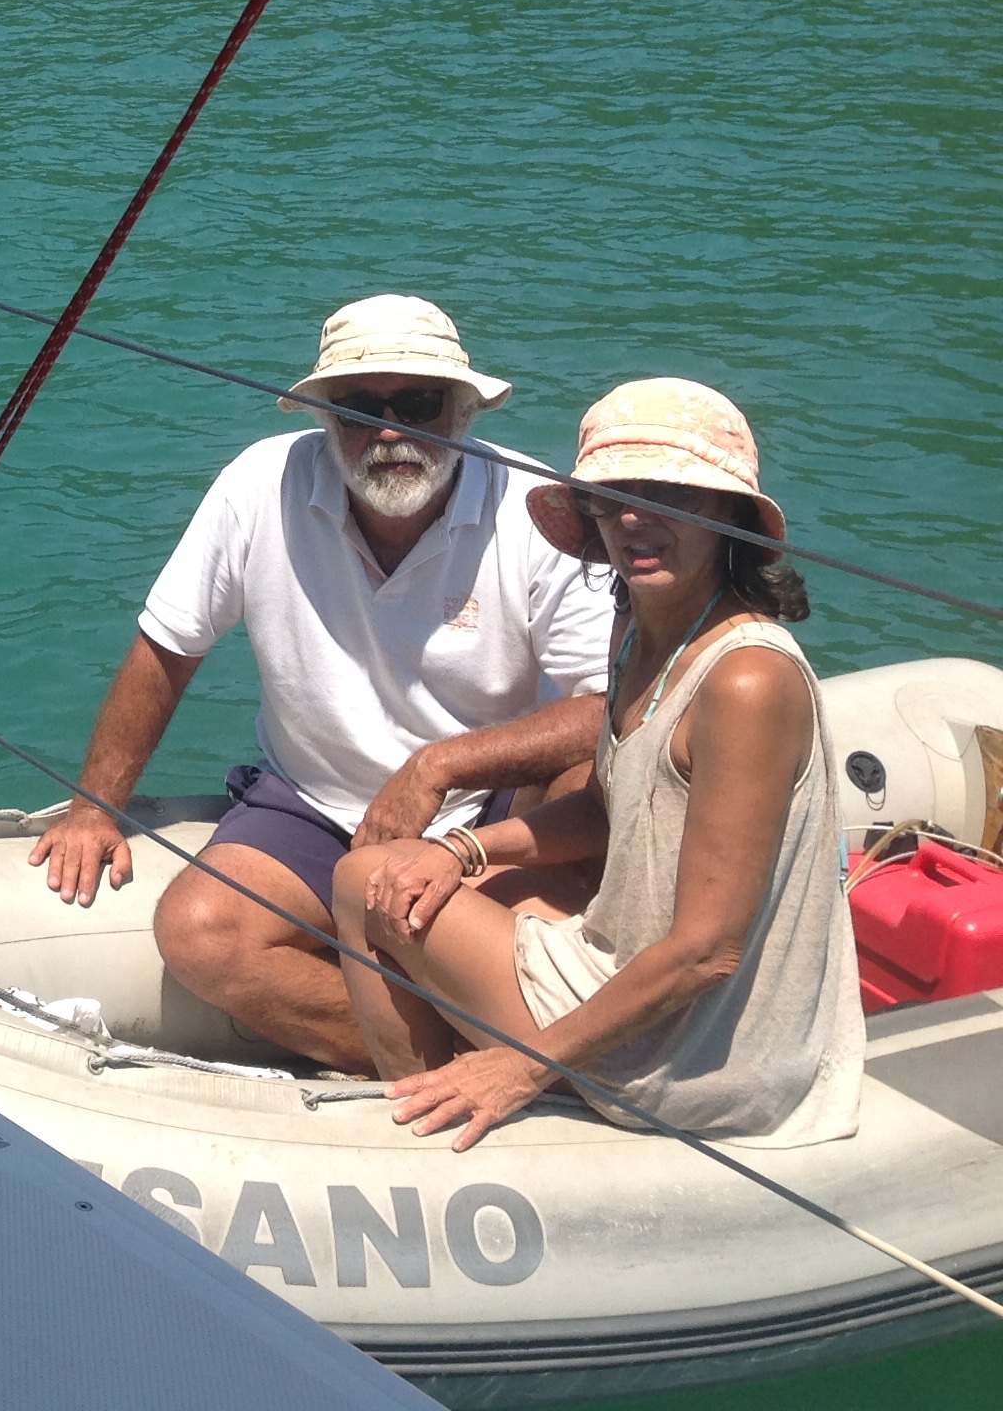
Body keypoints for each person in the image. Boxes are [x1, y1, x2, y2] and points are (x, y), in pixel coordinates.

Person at [28, 296, 613, 1069]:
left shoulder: (534, 510)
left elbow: (609, 707)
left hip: (491, 809)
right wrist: (93, 810)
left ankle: (500, 1036)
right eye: (359, 408)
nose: (390, 431)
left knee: (587, 779)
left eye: (419, 403)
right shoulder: (258, 484)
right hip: (314, 807)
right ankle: (449, 1056)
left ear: (466, 411)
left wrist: (440, 768)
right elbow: (167, 648)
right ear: (324, 417)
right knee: (199, 933)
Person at [332, 380, 861, 1150]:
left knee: (362, 882)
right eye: (612, 499)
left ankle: (434, 1128)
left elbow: (708, 953)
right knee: (412, 875)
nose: (635, 520)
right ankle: (447, 1090)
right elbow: (612, 807)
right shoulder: (639, 628)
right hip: (647, 974)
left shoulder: (747, 680)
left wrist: (520, 1069)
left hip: (703, 1053)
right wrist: (460, 849)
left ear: (727, 516)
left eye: (670, 496)